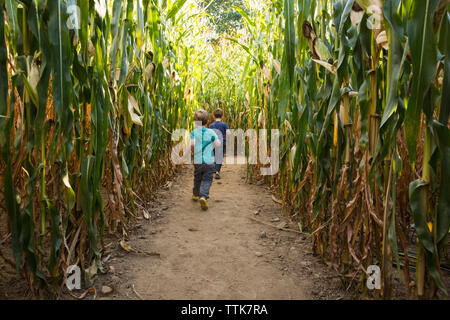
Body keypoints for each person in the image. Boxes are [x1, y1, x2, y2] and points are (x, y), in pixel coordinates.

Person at [190, 109, 221, 211]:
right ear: (207, 121)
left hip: (198, 161)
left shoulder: (194, 132)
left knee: (197, 177)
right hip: (209, 161)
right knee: (207, 179)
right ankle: (203, 196)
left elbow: (192, 144)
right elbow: (218, 144)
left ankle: (195, 194)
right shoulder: (211, 132)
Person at [209, 108, 230, 180]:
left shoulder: (211, 125)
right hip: (221, 143)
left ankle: (214, 169)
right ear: (222, 116)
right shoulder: (224, 124)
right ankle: (217, 171)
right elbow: (228, 133)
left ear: (214, 116)